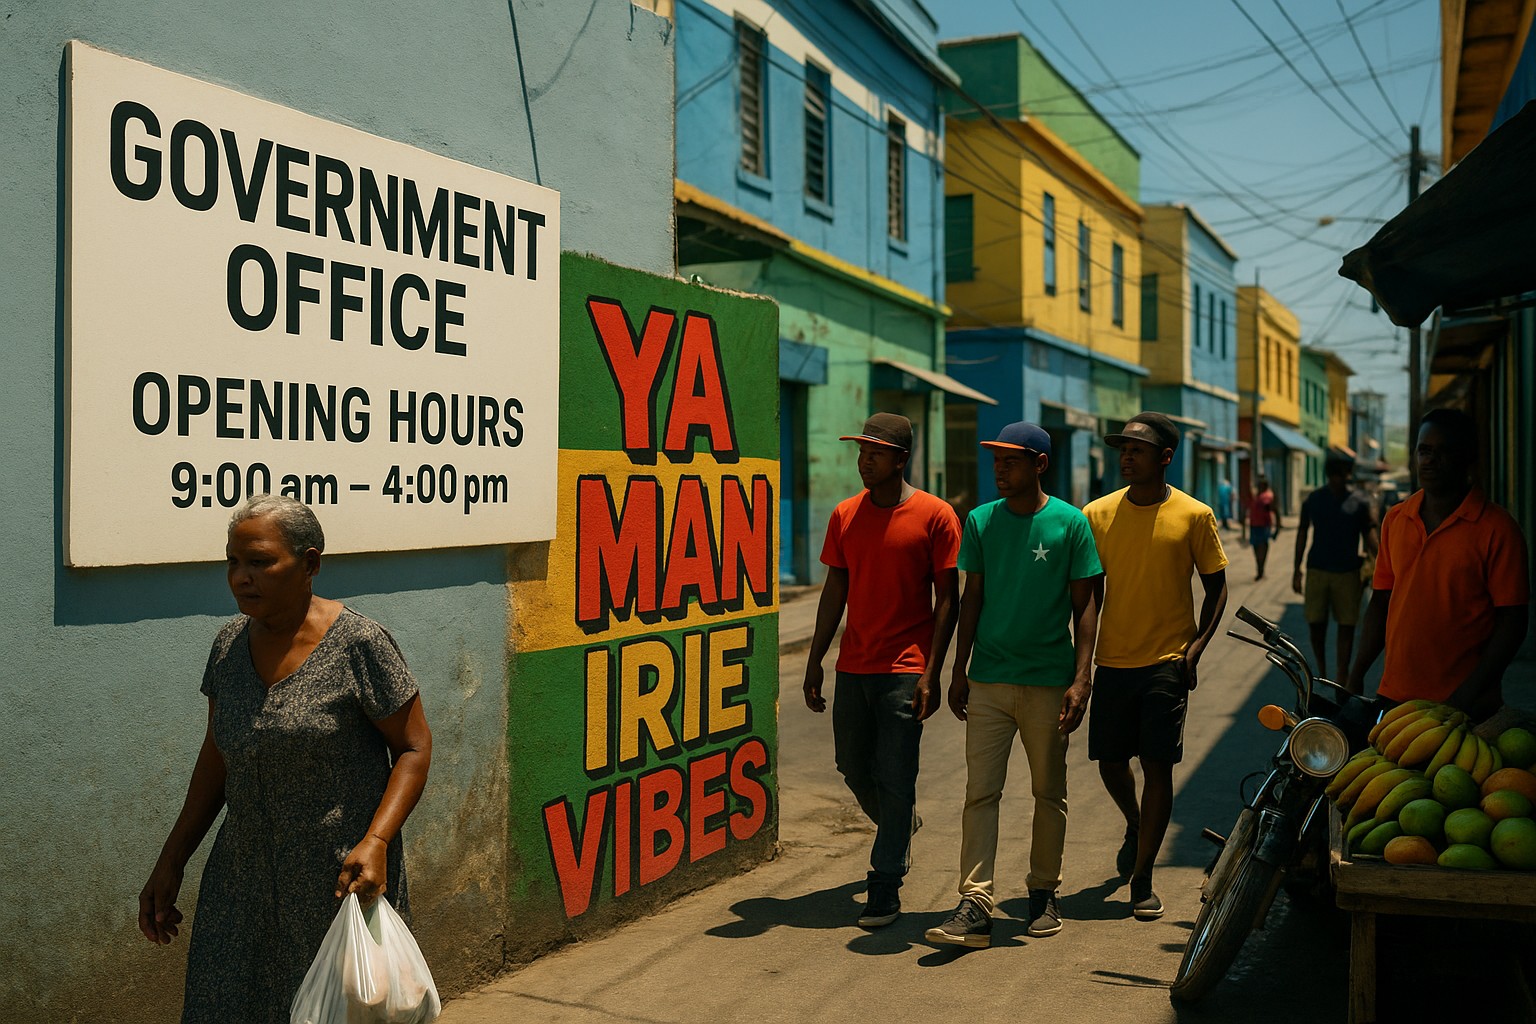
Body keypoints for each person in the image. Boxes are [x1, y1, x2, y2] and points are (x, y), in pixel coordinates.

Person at [139, 495, 433, 1024]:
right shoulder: (228, 647)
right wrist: (172, 860)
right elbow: (218, 757)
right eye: (233, 562)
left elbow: (413, 747)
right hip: (241, 881)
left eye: (260, 562)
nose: (240, 577)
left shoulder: (359, 644)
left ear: (310, 563)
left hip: (336, 881)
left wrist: (377, 841)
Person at [925, 423, 1101, 949]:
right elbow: (971, 598)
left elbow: (1086, 605)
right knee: (980, 793)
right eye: (996, 461)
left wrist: (1082, 677)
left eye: (1011, 461)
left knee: (1049, 792)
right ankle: (975, 903)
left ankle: (1043, 890)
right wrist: (959, 669)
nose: (999, 470)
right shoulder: (981, 520)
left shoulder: (1071, 523)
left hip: (1049, 683)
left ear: (1040, 464)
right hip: (989, 682)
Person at [803, 413, 961, 928]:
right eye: (861, 451)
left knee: (896, 774)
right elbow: (835, 590)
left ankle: (885, 881)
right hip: (854, 665)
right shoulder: (845, 514)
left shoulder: (936, 515)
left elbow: (948, 598)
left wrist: (932, 671)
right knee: (852, 765)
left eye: (875, 453)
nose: (864, 461)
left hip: (906, 667)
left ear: (901, 459)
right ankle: (900, 823)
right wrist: (815, 659)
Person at [1084, 413, 1228, 920]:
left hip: (1167, 663)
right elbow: (1090, 593)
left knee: (1157, 766)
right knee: (1109, 762)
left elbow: (1216, 587)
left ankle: (1143, 875)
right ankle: (1135, 822)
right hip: (1112, 660)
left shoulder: (1194, 515)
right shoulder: (1097, 514)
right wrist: (1082, 663)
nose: (1126, 457)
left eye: (1137, 450)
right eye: (1123, 449)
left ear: (1165, 457)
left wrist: (1196, 648)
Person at [1348, 409, 1529, 719]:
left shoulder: (1498, 529)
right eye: (1424, 450)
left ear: (1468, 459)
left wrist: (1464, 697)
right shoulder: (1396, 519)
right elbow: (1381, 601)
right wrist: (1355, 675)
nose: (1430, 460)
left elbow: (1512, 623)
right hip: (1395, 698)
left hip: (1467, 709)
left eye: (1443, 451)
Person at [1292, 454, 1378, 685]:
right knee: (1316, 624)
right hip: (1317, 569)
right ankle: (1322, 670)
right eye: (1336, 474)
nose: (1340, 479)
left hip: (1348, 571)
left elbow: (1369, 533)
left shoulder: (1359, 501)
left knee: (1347, 624)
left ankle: (1341, 673)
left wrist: (1382, 559)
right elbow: (1302, 532)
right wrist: (1296, 570)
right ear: (1330, 474)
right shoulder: (1315, 499)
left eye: (1343, 474)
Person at [1248, 476, 1280, 579]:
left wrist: (1277, 527)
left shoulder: (1266, 497)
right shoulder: (1258, 497)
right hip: (1254, 526)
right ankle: (1260, 568)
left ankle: (1260, 569)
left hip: (1263, 527)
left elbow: (1274, 510)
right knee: (1257, 548)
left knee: (1261, 548)